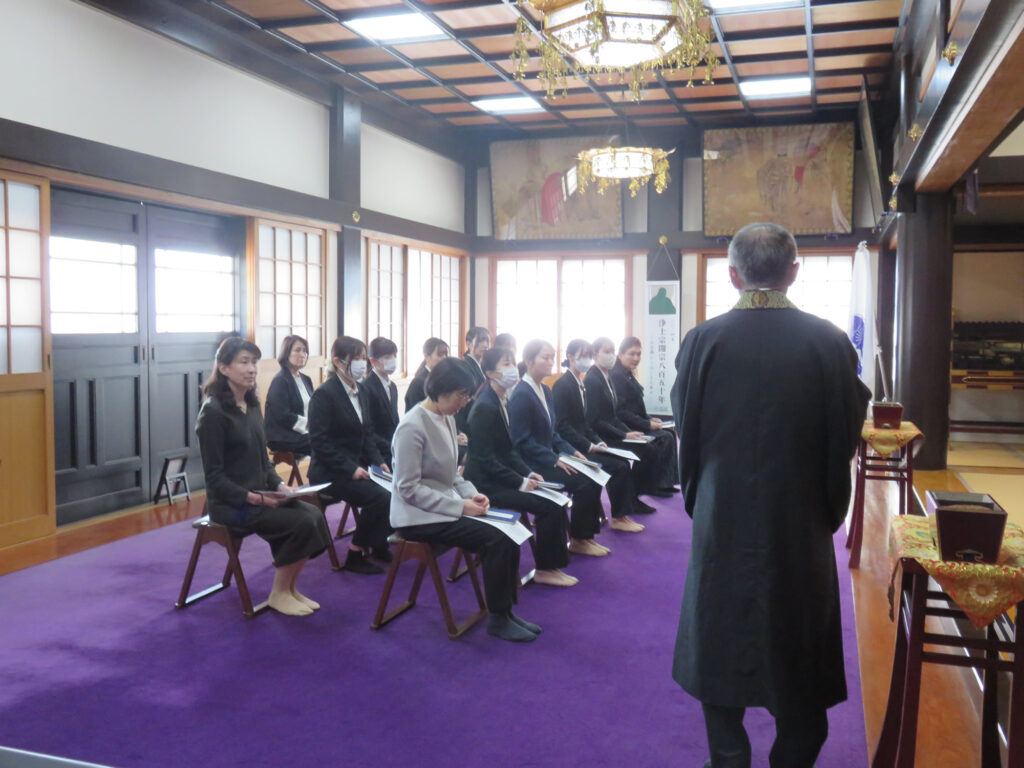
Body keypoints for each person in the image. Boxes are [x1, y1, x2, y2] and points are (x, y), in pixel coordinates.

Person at [670, 222, 870, 768]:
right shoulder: (828, 341)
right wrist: (827, 506)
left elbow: (687, 429)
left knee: (719, 639)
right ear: (794, 272)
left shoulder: (702, 340)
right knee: (799, 643)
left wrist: (702, 498)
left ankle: (728, 759)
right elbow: (845, 433)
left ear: (733, 275)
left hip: (722, 514)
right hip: (798, 518)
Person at [391, 357, 540, 642]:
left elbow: (451, 475)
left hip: (441, 505)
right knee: (495, 539)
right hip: (415, 517)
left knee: (510, 532)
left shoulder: (446, 417)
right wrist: (461, 507)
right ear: (441, 389)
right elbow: (408, 489)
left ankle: (506, 611)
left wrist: (472, 494)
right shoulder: (412, 426)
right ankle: (498, 618)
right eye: (461, 395)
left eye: (467, 395)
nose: (465, 402)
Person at [195, 336, 331, 617]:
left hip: (261, 495)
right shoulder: (213, 414)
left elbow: (264, 460)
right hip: (233, 505)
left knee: (314, 514)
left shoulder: (252, 404)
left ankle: (289, 588)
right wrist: (254, 498)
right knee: (299, 523)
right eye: (243, 362)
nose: (252, 369)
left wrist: (279, 485)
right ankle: (278, 593)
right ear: (223, 368)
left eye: (254, 362)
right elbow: (215, 478)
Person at [464, 347, 577, 587]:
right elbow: (486, 461)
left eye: (512, 363)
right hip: (485, 484)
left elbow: (509, 451)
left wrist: (527, 472)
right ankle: (545, 569)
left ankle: (551, 565)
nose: (513, 369)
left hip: (501, 475)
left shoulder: (501, 399)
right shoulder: (485, 406)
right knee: (548, 506)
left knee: (555, 499)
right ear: (490, 373)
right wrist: (520, 481)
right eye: (506, 364)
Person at [508, 339, 609, 557]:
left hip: (548, 456)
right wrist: (554, 459)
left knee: (592, 475)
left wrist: (573, 452)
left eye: (552, 357)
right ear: (529, 361)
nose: (550, 362)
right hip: (532, 465)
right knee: (584, 483)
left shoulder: (545, 389)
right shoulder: (521, 394)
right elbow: (522, 441)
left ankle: (584, 537)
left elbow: (553, 433)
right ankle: (579, 539)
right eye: (545, 358)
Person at [307, 336, 393, 575]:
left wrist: (379, 461)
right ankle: (355, 554)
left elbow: (367, 434)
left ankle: (379, 544)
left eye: (363, 358)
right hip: (330, 472)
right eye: (356, 358)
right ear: (337, 361)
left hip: (357, 465)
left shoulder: (362, 390)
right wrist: (350, 469)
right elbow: (320, 442)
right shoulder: (324, 395)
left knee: (393, 487)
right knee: (379, 497)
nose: (361, 363)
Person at [551, 339, 655, 533]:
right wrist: (588, 445)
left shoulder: (579, 382)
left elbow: (585, 423)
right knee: (616, 466)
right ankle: (604, 524)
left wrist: (597, 442)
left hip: (585, 442)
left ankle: (620, 515)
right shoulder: (563, 385)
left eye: (588, 355)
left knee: (621, 463)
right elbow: (562, 426)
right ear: (570, 357)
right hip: (570, 447)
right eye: (583, 355)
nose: (587, 359)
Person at [585, 337, 664, 497]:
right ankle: (635, 495)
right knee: (646, 450)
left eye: (612, 351)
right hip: (602, 437)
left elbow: (613, 415)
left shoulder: (606, 376)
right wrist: (624, 435)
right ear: (595, 354)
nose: (611, 355)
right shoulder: (592, 379)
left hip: (613, 430)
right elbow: (595, 421)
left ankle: (638, 494)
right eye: (606, 351)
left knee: (647, 445)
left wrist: (628, 433)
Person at [610, 336, 679, 495]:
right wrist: (647, 424)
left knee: (669, 433)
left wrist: (648, 418)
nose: (636, 358)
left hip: (635, 422)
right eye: (631, 354)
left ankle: (664, 482)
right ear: (620, 355)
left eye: (639, 354)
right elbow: (621, 412)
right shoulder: (617, 376)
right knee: (664, 437)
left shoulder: (627, 374)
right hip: (625, 427)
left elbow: (635, 407)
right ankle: (653, 485)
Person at [264, 334, 315, 457]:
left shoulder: (306, 379)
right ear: (286, 353)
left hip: (304, 432)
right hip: (283, 435)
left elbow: (313, 408)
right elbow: (282, 415)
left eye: (305, 351)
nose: (302, 354)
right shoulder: (280, 380)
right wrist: (310, 425)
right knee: (322, 441)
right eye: (297, 350)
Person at [364, 336, 400, 464]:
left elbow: (395, 419)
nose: (393, 360)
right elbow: (368, 429)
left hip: (393, 450)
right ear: (373, 361)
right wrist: (390, 446)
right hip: (378, 454)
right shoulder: (366, 388)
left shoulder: (393, 386)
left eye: (394, 355)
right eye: (387, 357)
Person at [405, 337, 449, 414]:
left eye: (445, 354)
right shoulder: (418, 382)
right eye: (440, 354)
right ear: (426, 357)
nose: (444, 357)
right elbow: (414, 413)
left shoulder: (444, 379)